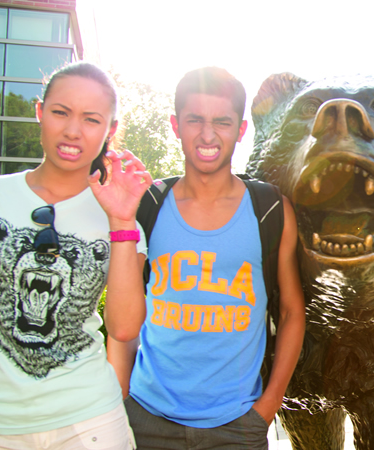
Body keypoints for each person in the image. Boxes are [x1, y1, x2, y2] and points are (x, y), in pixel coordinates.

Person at [0, 61, 151, 449]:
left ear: (111, 130)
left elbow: (123, 329)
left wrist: (122, 222)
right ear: (39, 111)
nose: (72, 131)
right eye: (60, 112)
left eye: (91, 119)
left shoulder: (120, 219)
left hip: (91, 423)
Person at [106, 67, 306, 449]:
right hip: (146, 418)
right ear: (175, 125)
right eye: (195, 120)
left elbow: (293, 311)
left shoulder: (270, 210)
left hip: (237, 425)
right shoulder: (147, 204)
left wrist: (269, 404)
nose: (208, 134)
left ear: (241, 130)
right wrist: (122, 396)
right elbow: (121, 320)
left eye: (222, 122)